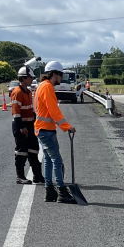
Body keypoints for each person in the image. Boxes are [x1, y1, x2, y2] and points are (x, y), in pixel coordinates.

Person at [34, 60, 77, 204]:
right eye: (60, 75)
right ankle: (61, 192)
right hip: (46, 130)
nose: (61, 78)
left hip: (42, 129)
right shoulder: (47, 87)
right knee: (56, 160)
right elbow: (53, 110)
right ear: (54, 74)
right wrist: (66, 126)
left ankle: (49, 191)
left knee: (47, 160)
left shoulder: (41, 86)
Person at [10, 66, 44, 185]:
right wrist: (22, 127)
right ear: (24, 78)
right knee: (21, 151)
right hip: (21, 126)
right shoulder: (17, 92)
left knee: (34, 150)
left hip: (30, 125)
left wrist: (35, 123)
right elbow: (16, 112)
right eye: (30, 78)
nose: (32, 80)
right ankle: (20, 176)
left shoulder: (28, 92)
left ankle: (38, 176)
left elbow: (31, 110)